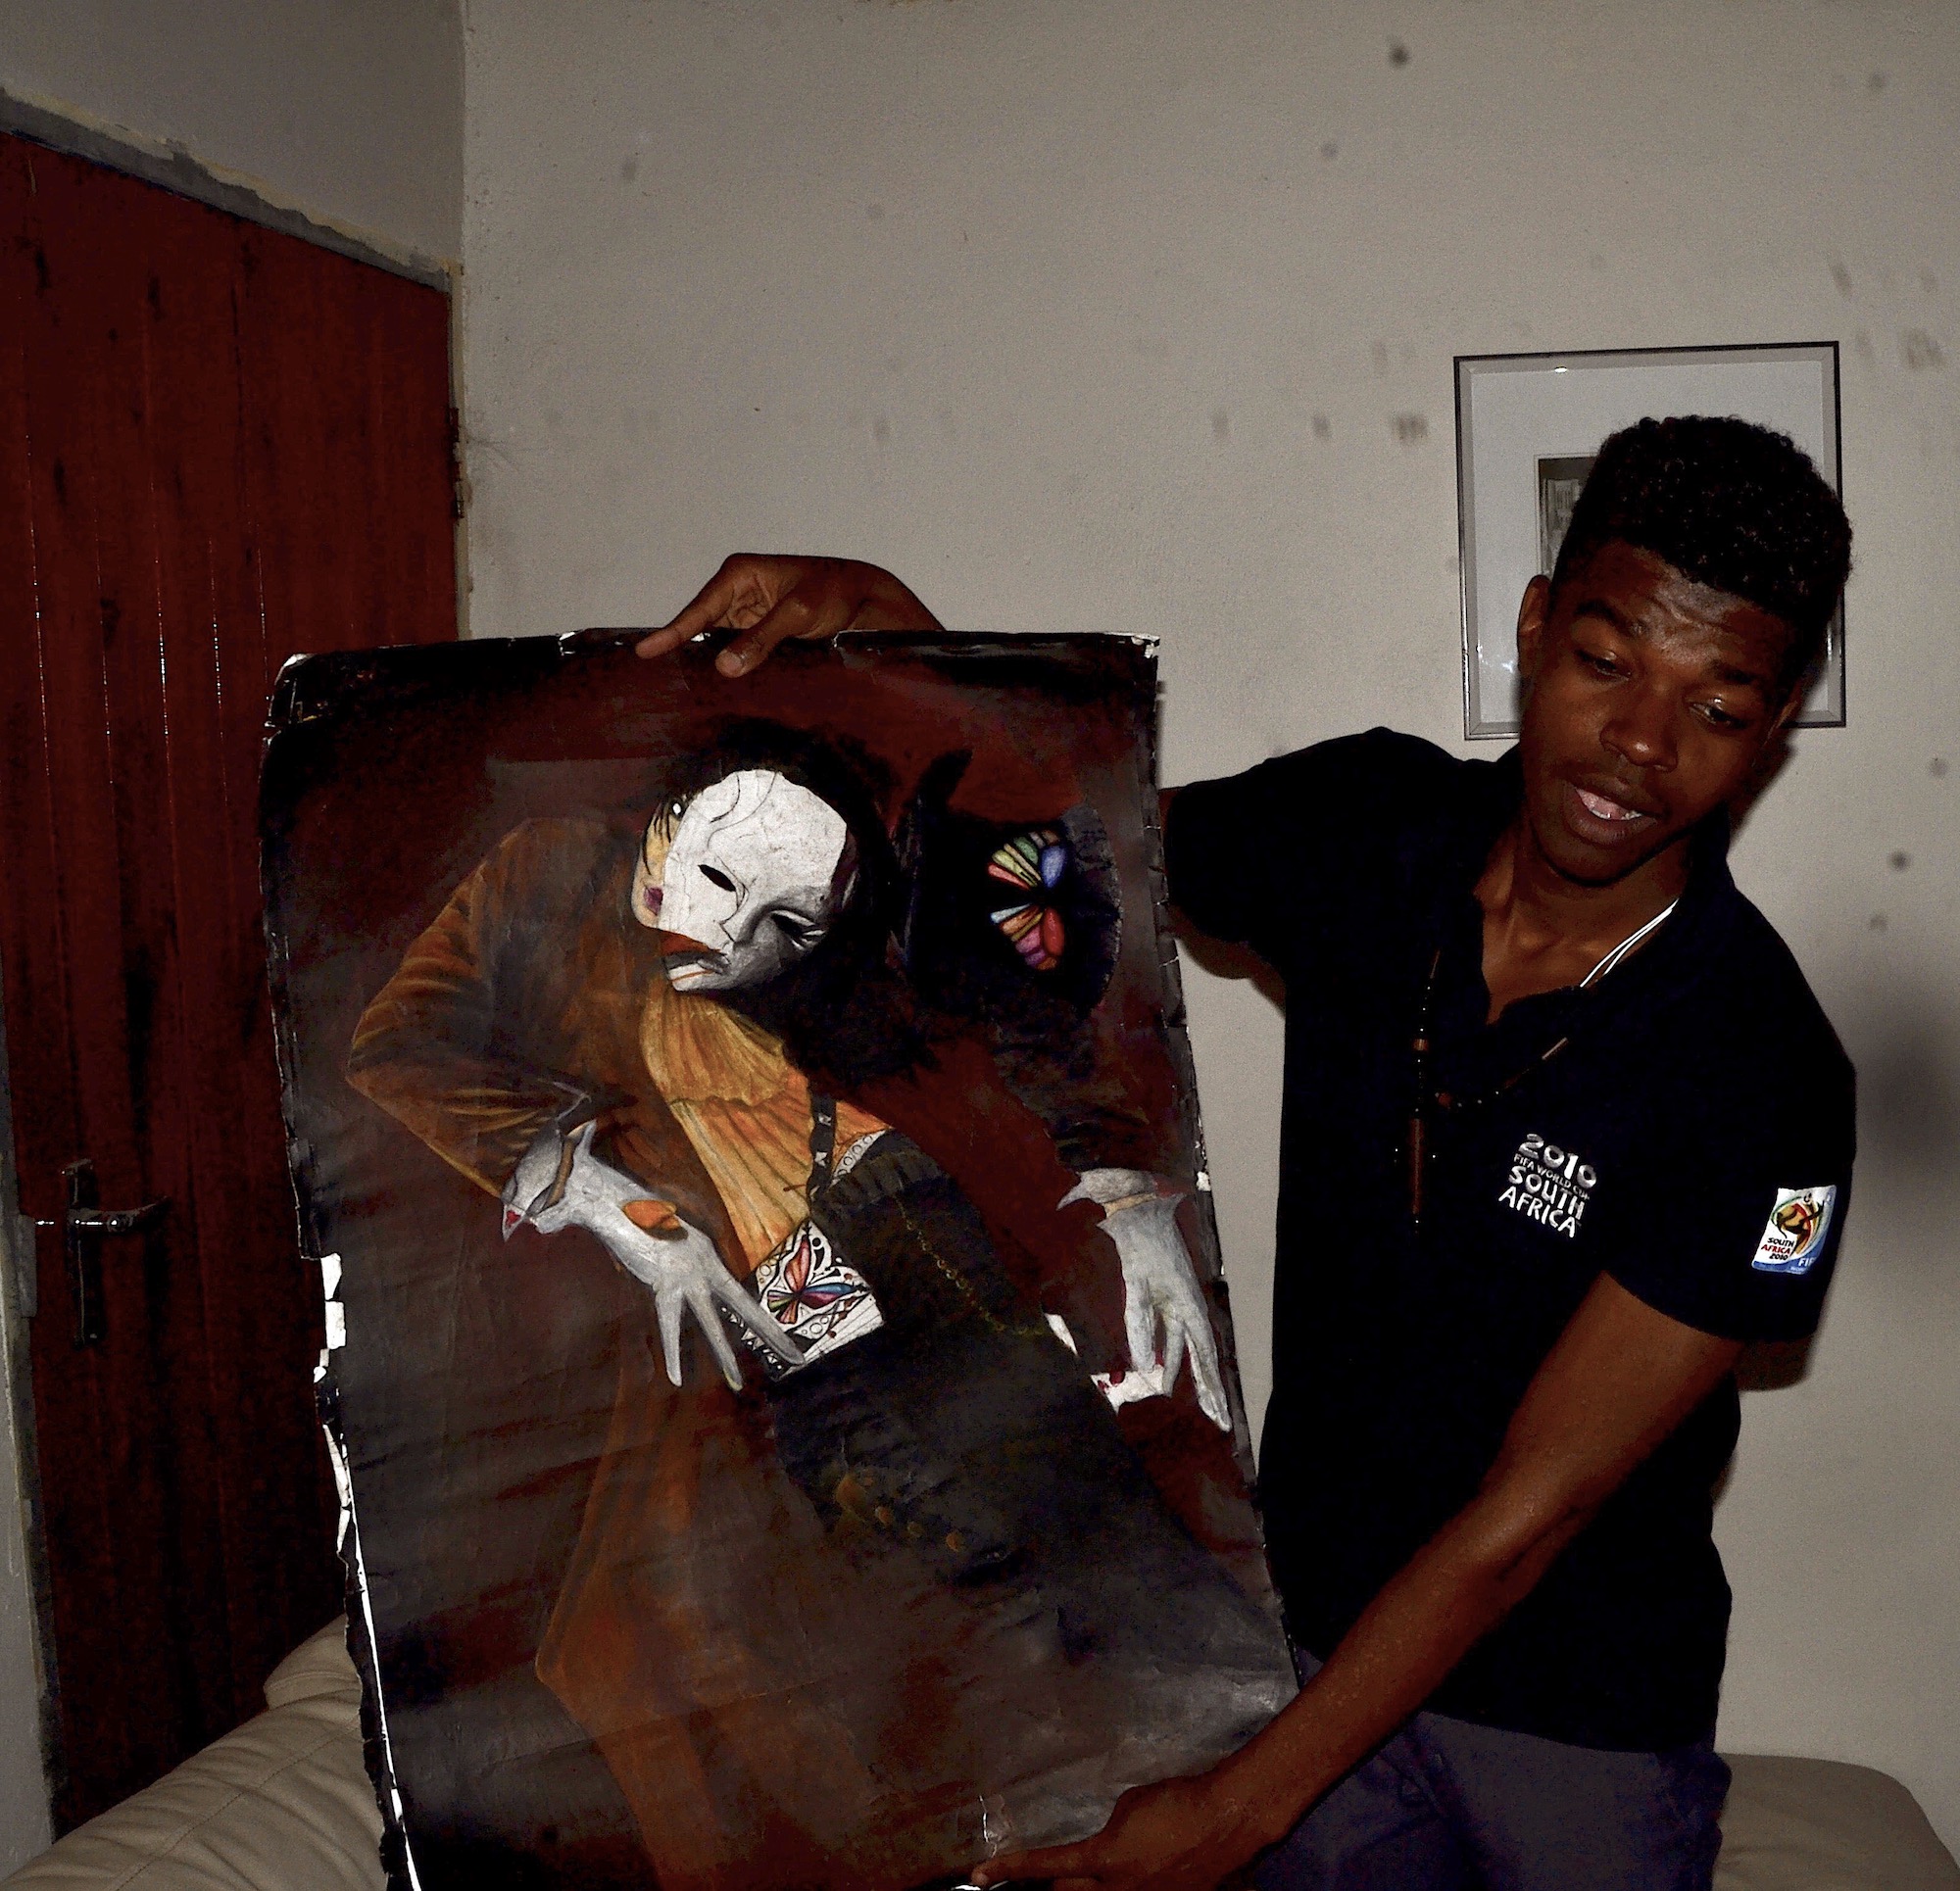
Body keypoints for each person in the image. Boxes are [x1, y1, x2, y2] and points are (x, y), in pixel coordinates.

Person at [634, 414, 1857, 1891]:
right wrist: (900, 637)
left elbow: (1533, 1514)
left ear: (1773, 728)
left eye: (1717, 707)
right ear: (1535, 630)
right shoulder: (1369, 825)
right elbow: (1054, 875)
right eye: (1606, 663)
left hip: (1579, 1725)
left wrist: (1233, 1809)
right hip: (1301, 1637)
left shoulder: (1765, 1067)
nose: (1643, 745)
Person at [345, 720, 1295, 1890]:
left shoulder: (853, 927)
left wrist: (1125, 1196)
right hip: (783, 1262)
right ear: (662, 830)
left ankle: (1242, 1780)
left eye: (783, 925)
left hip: (881, 1206)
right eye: (718, 879)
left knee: (1055, 1500)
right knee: (912, 1539)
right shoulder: (550, 874)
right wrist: (599, 1197)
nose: (732, 940)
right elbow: (396, 1045)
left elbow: (1023, 990)